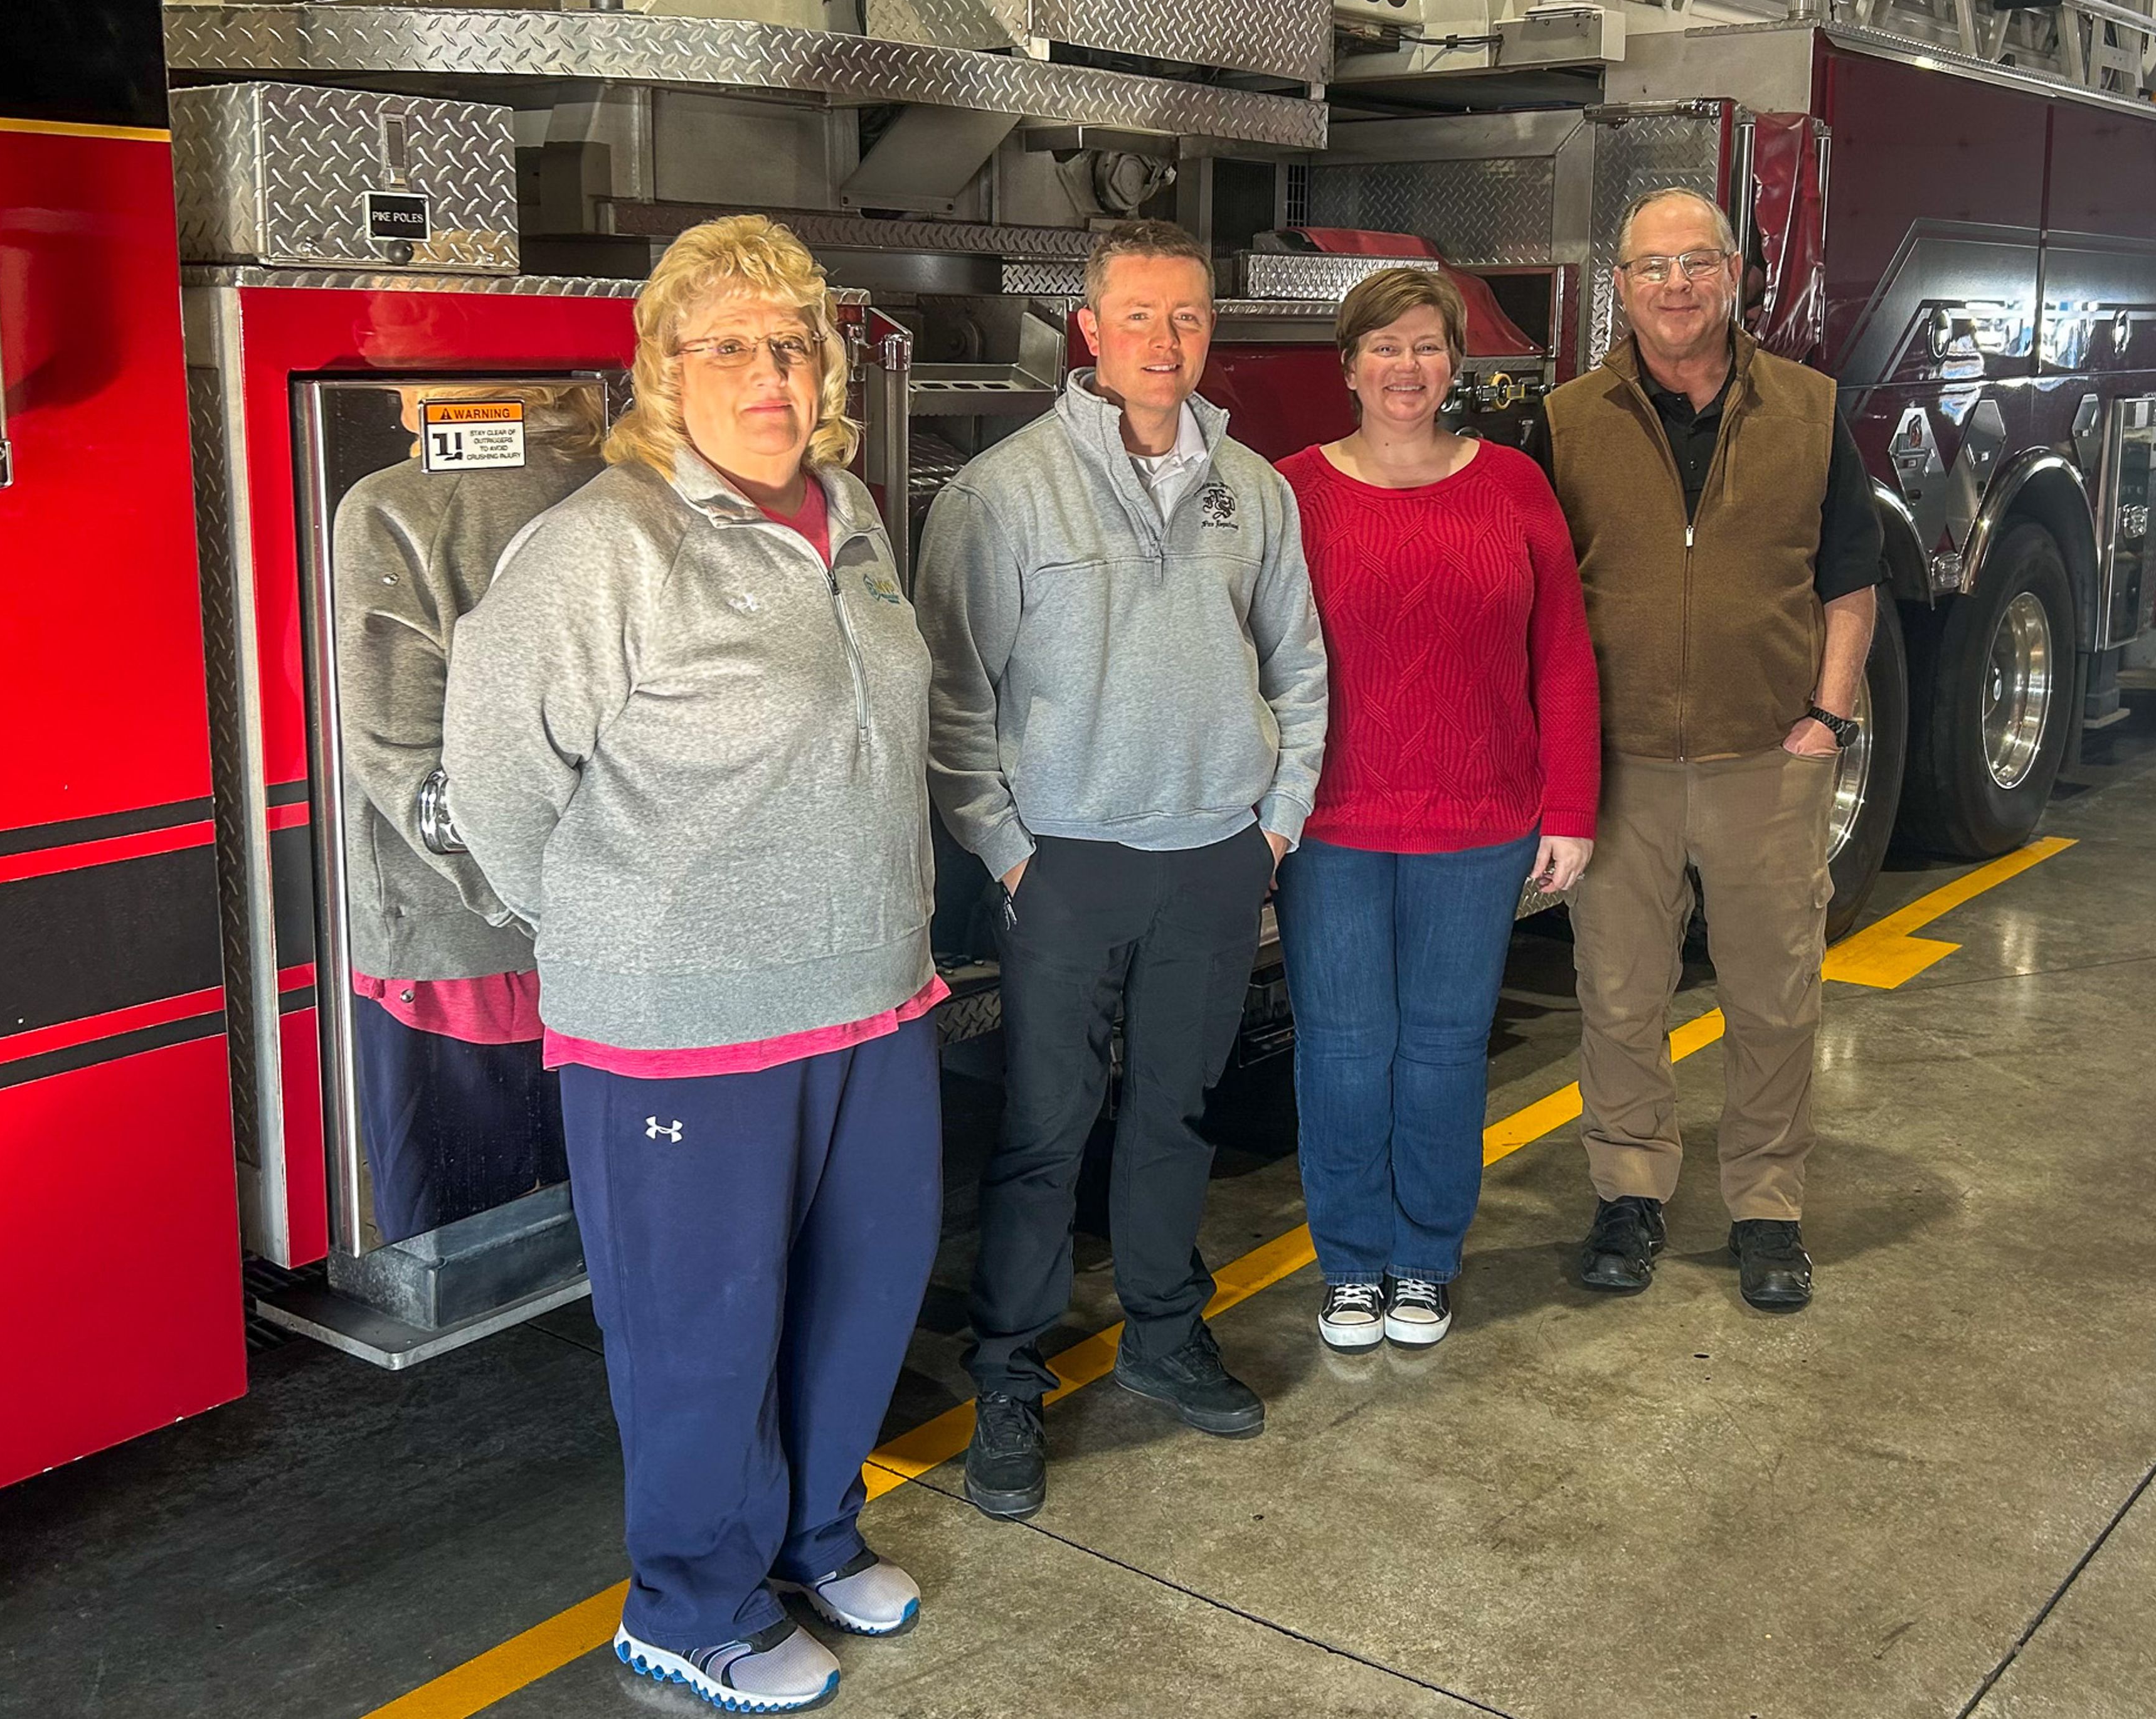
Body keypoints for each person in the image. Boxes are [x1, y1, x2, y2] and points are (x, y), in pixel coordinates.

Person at [442, 216, 942, 1714]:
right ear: (660, 368)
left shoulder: (848, 511)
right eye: (725, 344)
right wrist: (619, 937)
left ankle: (811, 1537)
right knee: (702, 1330)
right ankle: (690, 1605)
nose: (767, 371)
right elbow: (495, 785)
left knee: (862, 1291)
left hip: (871, 993)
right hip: (682, 1027)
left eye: (790, 341)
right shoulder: (606, 546)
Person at [915, 217, 1328, 1521]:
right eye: (1138, 316)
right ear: (1086, 328)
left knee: (1175, 1113)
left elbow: (1299, 667)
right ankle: (1009, 1376)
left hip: (1214, 856)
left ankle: (1161, 1328)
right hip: (1068, 868)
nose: (1165, 340)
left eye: (1188, 316)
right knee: (1043, 1132)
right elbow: (952, 696)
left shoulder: (1252, 490)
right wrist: (1009, 853)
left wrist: (1274, 823)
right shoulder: (1003, 493)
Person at [1543, 186, 1881, 1313]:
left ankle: (1768, 1207)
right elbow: (1543, 597)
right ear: (1621, 285)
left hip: (1765, 761)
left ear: (1734, 275)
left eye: (1697, 262)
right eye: (1653, 266)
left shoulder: (1811, 411)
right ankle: (1629, 1191)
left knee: (1775, 997)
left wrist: (1827, 720)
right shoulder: (1570, 420)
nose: (1675, 285)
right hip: (1620, 766)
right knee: (1618, 994)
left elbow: (1850, 582)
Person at [1272, 268, 1600, 1353]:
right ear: (1348, 365)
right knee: (1342, 1050)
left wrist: (1570, 807)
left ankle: (1424, 1256)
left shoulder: (1512, 484)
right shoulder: (1292, 491)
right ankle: (1350, 1263)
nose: (1405, 366)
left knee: (1446, 1050)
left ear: (1455, 363)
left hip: (1481, 819)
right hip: (1332, 824)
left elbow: (1562, 652)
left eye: (1425, 345)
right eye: (1384, 345)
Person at [332, 383, 600, 1244]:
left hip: (457, 949)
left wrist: (525, 908)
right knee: (604, 1226)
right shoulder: (642, 488)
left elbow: (396, 752)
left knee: (458, 1252)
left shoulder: (392, 507)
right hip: (625, 949)